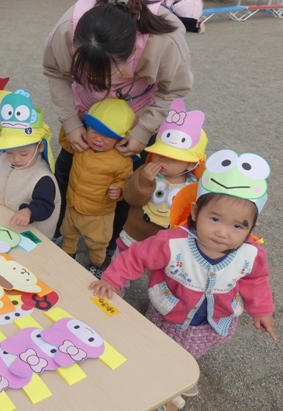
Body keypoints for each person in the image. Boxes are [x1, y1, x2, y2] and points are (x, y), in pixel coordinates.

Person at [90, 150, 276, 398]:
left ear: (251, 227)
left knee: (192, 350)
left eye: (237, 226)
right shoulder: (172, 242)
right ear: (195, 212)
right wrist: (112, 279)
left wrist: (262, 311)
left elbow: (256, 280)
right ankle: (158, 371)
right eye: (215, 219)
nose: (223, 232)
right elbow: (136, 256)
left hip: (214, 317)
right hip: (172, 311)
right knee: (158, 343)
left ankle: (180, 372)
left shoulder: (251, 254)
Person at [43, 0, 193, 250]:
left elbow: (174, 89)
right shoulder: (66, 30)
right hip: (88, 113)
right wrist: (71, 122)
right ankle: (58, 227)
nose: (96, 78)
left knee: (129, 182)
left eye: (104, 72)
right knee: (67, 170)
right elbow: (55, 72)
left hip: (138, 113)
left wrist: (143, 131)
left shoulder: (165, 41)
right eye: (85, 68)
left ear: (133, 51)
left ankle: (112, 242)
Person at [117, 99, 207, 261]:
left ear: (191, 164)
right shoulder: (145, 172)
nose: (162, 160)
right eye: (159, 154)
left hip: (165, 245)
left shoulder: (193, 188)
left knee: (155, 270)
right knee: (122, 263)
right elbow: (130, 198)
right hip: (133, 235)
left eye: (172, 158)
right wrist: (144, 180)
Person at [60, 99, 135, 278]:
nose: (98, 139)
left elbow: (126, 180)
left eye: (107, 136)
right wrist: (71, 125)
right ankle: (67, 254)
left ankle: (96, 264)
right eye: (94, 131)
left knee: (98, 242)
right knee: (68, 233)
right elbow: (65, 141)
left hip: (99, 213)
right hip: (73, 202)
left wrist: (120, 190)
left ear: (120, 139)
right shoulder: (81, 144)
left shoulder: (122, 160)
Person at [0, 90, 60, 239]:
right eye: (10, 152)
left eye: (23, 154)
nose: (16, 159)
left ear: (40, 147)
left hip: (32, 233)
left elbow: (45, 205)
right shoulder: (3, 161)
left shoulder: (42, 177)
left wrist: (29, 211)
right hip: (5, 222)